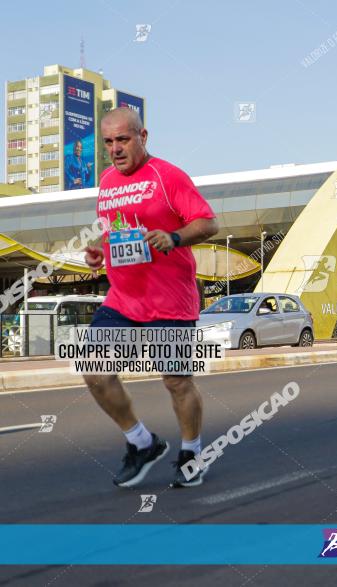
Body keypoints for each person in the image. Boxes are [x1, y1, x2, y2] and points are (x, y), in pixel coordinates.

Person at [83, 108, 219, 488]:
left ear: (143, 136)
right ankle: (142, 443)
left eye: (123, 140)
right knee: (94, 371)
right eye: (108, 142)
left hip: (170, 300)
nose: (115, 149)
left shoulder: (168, 176)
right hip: (124, 298)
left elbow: (208, 222)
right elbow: (113, 231)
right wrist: (98, 250)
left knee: (176, 381)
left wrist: (173, 237)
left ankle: (191, 452)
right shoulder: (108, 181)